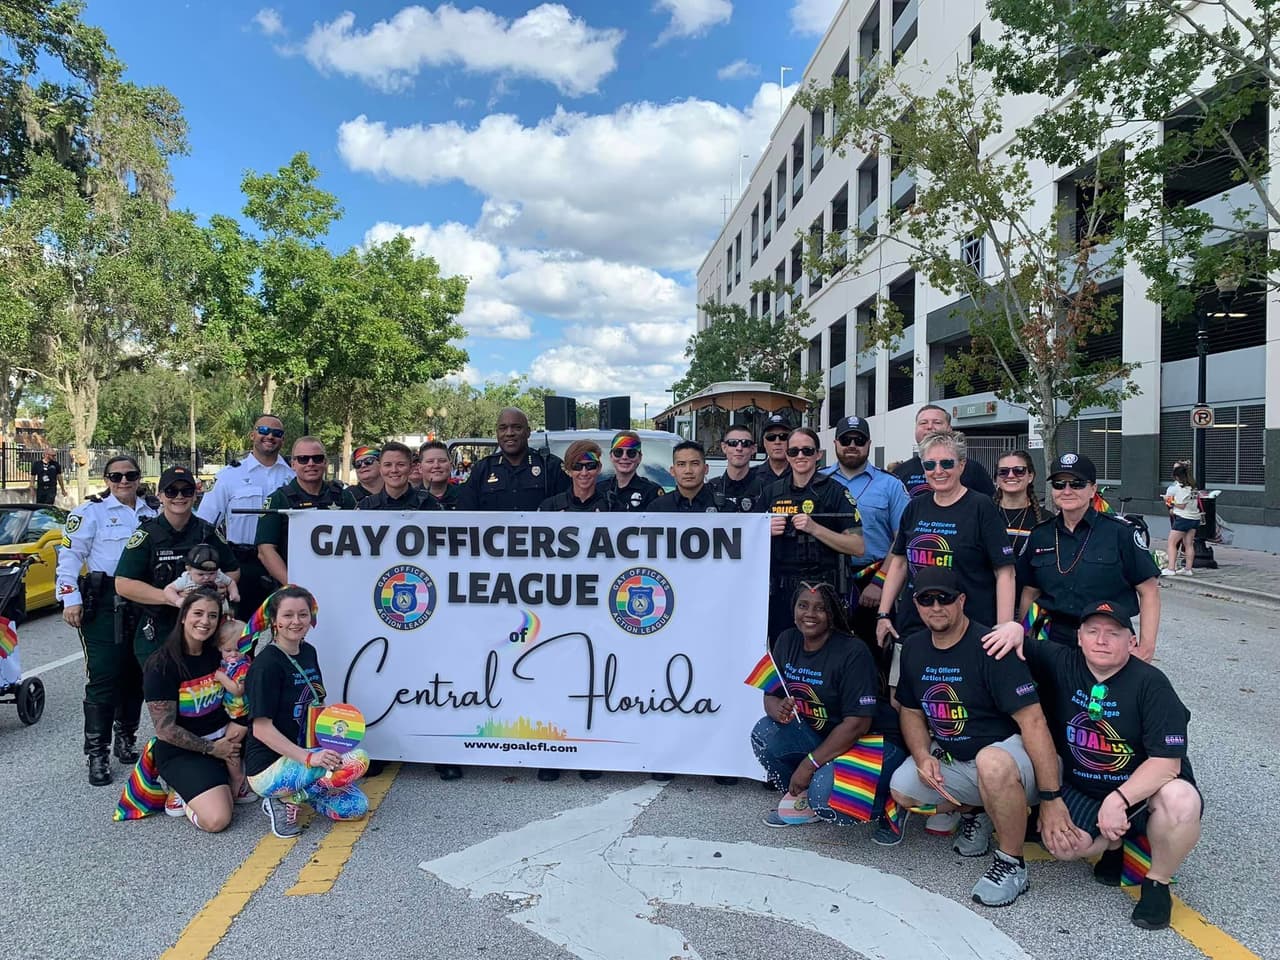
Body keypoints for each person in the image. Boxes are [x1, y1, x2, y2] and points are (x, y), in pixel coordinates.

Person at [983, 601, 1202, 930]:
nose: (1102, 640)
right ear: (1079, 638)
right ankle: (1114, 844)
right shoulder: (1063, 662)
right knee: (1064, 847)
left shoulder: (1152, 683)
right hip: (1084, 786)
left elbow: (1166, 763)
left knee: (1181, 802)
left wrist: (1120, 800)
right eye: (1093, 632)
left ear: (1131, 642)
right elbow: (1019, 640)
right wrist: (1015, 627)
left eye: (1113, 633)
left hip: (1143, 788)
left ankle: (1157, 882)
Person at [888, 568, 1063, 907]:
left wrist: (1052, 798)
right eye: (927, 599)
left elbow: (1034, 722)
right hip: (961, 759)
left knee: (991, 763)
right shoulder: (913, 648)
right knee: (903, 787)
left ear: (962, 600)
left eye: (945, 598)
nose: (936, 607)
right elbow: (910, 710)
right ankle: (978, 811)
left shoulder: (991, 647)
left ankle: (1011, 864)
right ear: (916, 603)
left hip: (1013, 760)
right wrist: (924, 755)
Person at [751, 582, 905, 841]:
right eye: (803, 606)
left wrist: (808, 765)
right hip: (828, 739)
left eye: (820, 608)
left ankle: (892, 805)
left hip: (872, 740)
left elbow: (857, 724)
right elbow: (771, 693)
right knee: (764, 732)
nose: (809, 614)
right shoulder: (787, 639)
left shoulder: (853, 651)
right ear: (793, 609)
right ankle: (809, 801)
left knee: (826, 800)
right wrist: (777, 709)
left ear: (832, 614)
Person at [877, 432, 1018, 676]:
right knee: (903, 701)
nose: (938, 471)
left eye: (947, 463)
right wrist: (883, 613)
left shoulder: (981, 506)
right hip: (915, 625)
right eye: (930, 465)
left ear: (961, 465)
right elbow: (899, 563)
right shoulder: (915, 506)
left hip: (967, 627)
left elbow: (1005, 571)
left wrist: (1003, 627)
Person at [56, 455, 157, 785]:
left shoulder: (153, 510)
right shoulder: (90, 512)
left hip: (145, 603)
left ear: (139, 477)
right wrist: (70, 598)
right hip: (104, 604)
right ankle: (97, 753)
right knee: (104, 677)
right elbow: (70, 556)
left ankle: (126, 734)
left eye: (130, 475)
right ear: (107, 479)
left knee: (137, 673)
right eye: (116, 476)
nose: (124, 481)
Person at [244, 585, 370, 839]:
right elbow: (261, 729)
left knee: (356, 807)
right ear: (275, 621)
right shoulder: (266, 665)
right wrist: (310, 759)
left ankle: (294, 795)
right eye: (288, 615)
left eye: (303, 614)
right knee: (359, 759)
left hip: (305, 755)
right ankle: (276, 799)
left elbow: (315, 704)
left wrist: (334, 739)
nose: (296, 621)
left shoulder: (309, 652)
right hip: (269, 767)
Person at [1013, 453, 1161, 659]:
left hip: (1105, 637)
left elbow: (1149, 592)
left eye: (1077, 484)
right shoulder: (1041, 535)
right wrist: (1025, 636)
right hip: (1049, 638)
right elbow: (1030, 592)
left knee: (1103, 692)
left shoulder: (1120, 533)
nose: (1067, 491)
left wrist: (1146, 648)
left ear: (1092, 489)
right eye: (1059, 484)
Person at [142, 589, 248, 831]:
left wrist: (241, 722)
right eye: (198, 613)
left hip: (227, 738)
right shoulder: (161, 664)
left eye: (212, 615)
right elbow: (165, 729)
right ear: (183, 616)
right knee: (217, 820)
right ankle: (181, 790)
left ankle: (219, 780)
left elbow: (246, 686)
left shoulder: (219, 652)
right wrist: (212, 749)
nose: (205, 621)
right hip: (184, 749)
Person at [116, 465, 240, 668]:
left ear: (194, 496)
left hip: (204, 630)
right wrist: (170, 598)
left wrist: (220, 587)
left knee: (204, 695)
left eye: (187, 491)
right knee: (163, 696)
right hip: (161, 627)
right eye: (172, 491)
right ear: (160, 496)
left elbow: (233, 570)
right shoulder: (147, 534)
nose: (179, 497)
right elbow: (123, 583)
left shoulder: (207, 532)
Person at [760, 427, 864, 644]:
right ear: (786, 455)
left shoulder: (835, 491)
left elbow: (857, 546)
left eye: (807, 451)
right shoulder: (771, 492)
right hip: (780, 594)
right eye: (794, 451)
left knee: (823, 657)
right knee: (782, 653)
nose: (800, 456)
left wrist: (815, 528)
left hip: (823, 592)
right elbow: (745, 540)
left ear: (818, 454)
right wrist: (763, 531)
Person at [819, 416, 908, 656]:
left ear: (869, 444)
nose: (852, 445)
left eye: (859, 440)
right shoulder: (819, 481)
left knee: (875, 653)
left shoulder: (890, 485)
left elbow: (902, 539)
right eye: (846, 439)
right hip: (826, 578)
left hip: (873, 579)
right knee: (826, 652)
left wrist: (880, 582)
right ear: (836, 443)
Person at [196, 415, 295, 620]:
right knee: (241, 630)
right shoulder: (229, 475)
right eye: (264, 431)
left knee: (285, 625)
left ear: (283, 440)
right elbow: (206, 524)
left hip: (284, 562)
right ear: (253, 435)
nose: (270, 437)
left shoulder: (293, 476)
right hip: (243, 564)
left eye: (277, 433)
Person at [256, 437, 358, 587]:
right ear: (293, 464)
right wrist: (292, 586)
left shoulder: (344, 497)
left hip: (341, 583)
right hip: (295, 588)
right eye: (303, 459)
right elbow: (265, 551)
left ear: (325, 462)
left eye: (317, 458)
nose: (311, 463)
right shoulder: (279, 499)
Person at [459, 407, 569, 510]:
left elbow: (570, 510)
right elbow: (466, 515)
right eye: (503, 428)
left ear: (528, 432)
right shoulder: (482, 469)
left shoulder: (550, 466)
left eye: (517, 427)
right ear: (497, 433)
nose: (509, 433)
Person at [893, 405, 996, 499]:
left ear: (949, 429)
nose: (929, 427)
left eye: (937, 422)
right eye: (923, 423)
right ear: (915, 429)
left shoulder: (973, 469)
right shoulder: (899, 473)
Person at [213, 618, 252, 801]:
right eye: (228, 650)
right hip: (230, 713)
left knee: (230, 746)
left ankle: (238, 780)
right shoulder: (226, 664)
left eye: (239, 650)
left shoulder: (243, 667)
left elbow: (238, 690)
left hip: (241, 715)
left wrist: (221, 677)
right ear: (219, 648)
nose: (234, 655)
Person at [357, 442, 441, 511]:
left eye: (400, 465)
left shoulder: (430, 504)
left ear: (411, 468)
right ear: (380, 468)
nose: (394, 470)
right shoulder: (365, 507)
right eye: (388, 465)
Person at [993, 450, 1044, 560]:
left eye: (1019, 470)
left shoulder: (1046, 520)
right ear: (996, 478)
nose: (1010, 475)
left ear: (1030, 476)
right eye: (1003, 471)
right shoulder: (982, 514)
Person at [163, 543, 240, 616]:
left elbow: (230, 582)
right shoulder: (187, 579)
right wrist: (178, 600)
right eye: (201, 574)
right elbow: (169, 589)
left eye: (211, 573)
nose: (206, 577)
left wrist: (234, 593)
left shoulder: (219, 575)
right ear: (188, 569)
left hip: (221, 612)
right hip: (195, 615)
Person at [540, 440, 613, 512]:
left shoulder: (611, 507)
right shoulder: (550, 507)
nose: (584, 473)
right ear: (568, 470)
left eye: (590, 466)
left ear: (599, 468)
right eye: (577, 467)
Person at [596, 431, 661, 511]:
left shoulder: (651, 492)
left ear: (639, 458)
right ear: (611, 456)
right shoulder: (599, 489)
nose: (624, 457)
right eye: (618, 452)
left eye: (631, 453)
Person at [650, 440, 720, 512]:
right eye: (681, 464)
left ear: (706, 469)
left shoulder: (724, 507)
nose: (688, 471)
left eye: (695, 463)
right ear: (672, 471)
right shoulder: (658, 507)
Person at [708, 424, 764, 511]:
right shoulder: (710, 489)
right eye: (733, 443)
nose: (739, 448)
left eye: (746, 443)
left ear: (753, 449)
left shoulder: (765, 489)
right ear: (724, 447)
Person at [1162, 461, 1199, 577]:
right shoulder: (1193, 487)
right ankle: (1188, 569)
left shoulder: (1181, 488)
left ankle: (1171, 569)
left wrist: (1168, 500)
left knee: (1171, 543)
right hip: (1194, 517)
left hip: (1183, 518)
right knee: (1189, 544)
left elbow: (1181, 505)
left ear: (1178, 477)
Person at [752, 413, 792, 484]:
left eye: (783, 436)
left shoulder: (801, 474)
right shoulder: (751, 477)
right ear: (764, 442)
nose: (777, 442)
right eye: (771, 437)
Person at [419, 441, 462, 509]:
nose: (436, 466)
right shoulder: (409, 499)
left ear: (451, 466)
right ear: (420, 468)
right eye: (430, 461)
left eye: (442, 461)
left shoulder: (466, 496)